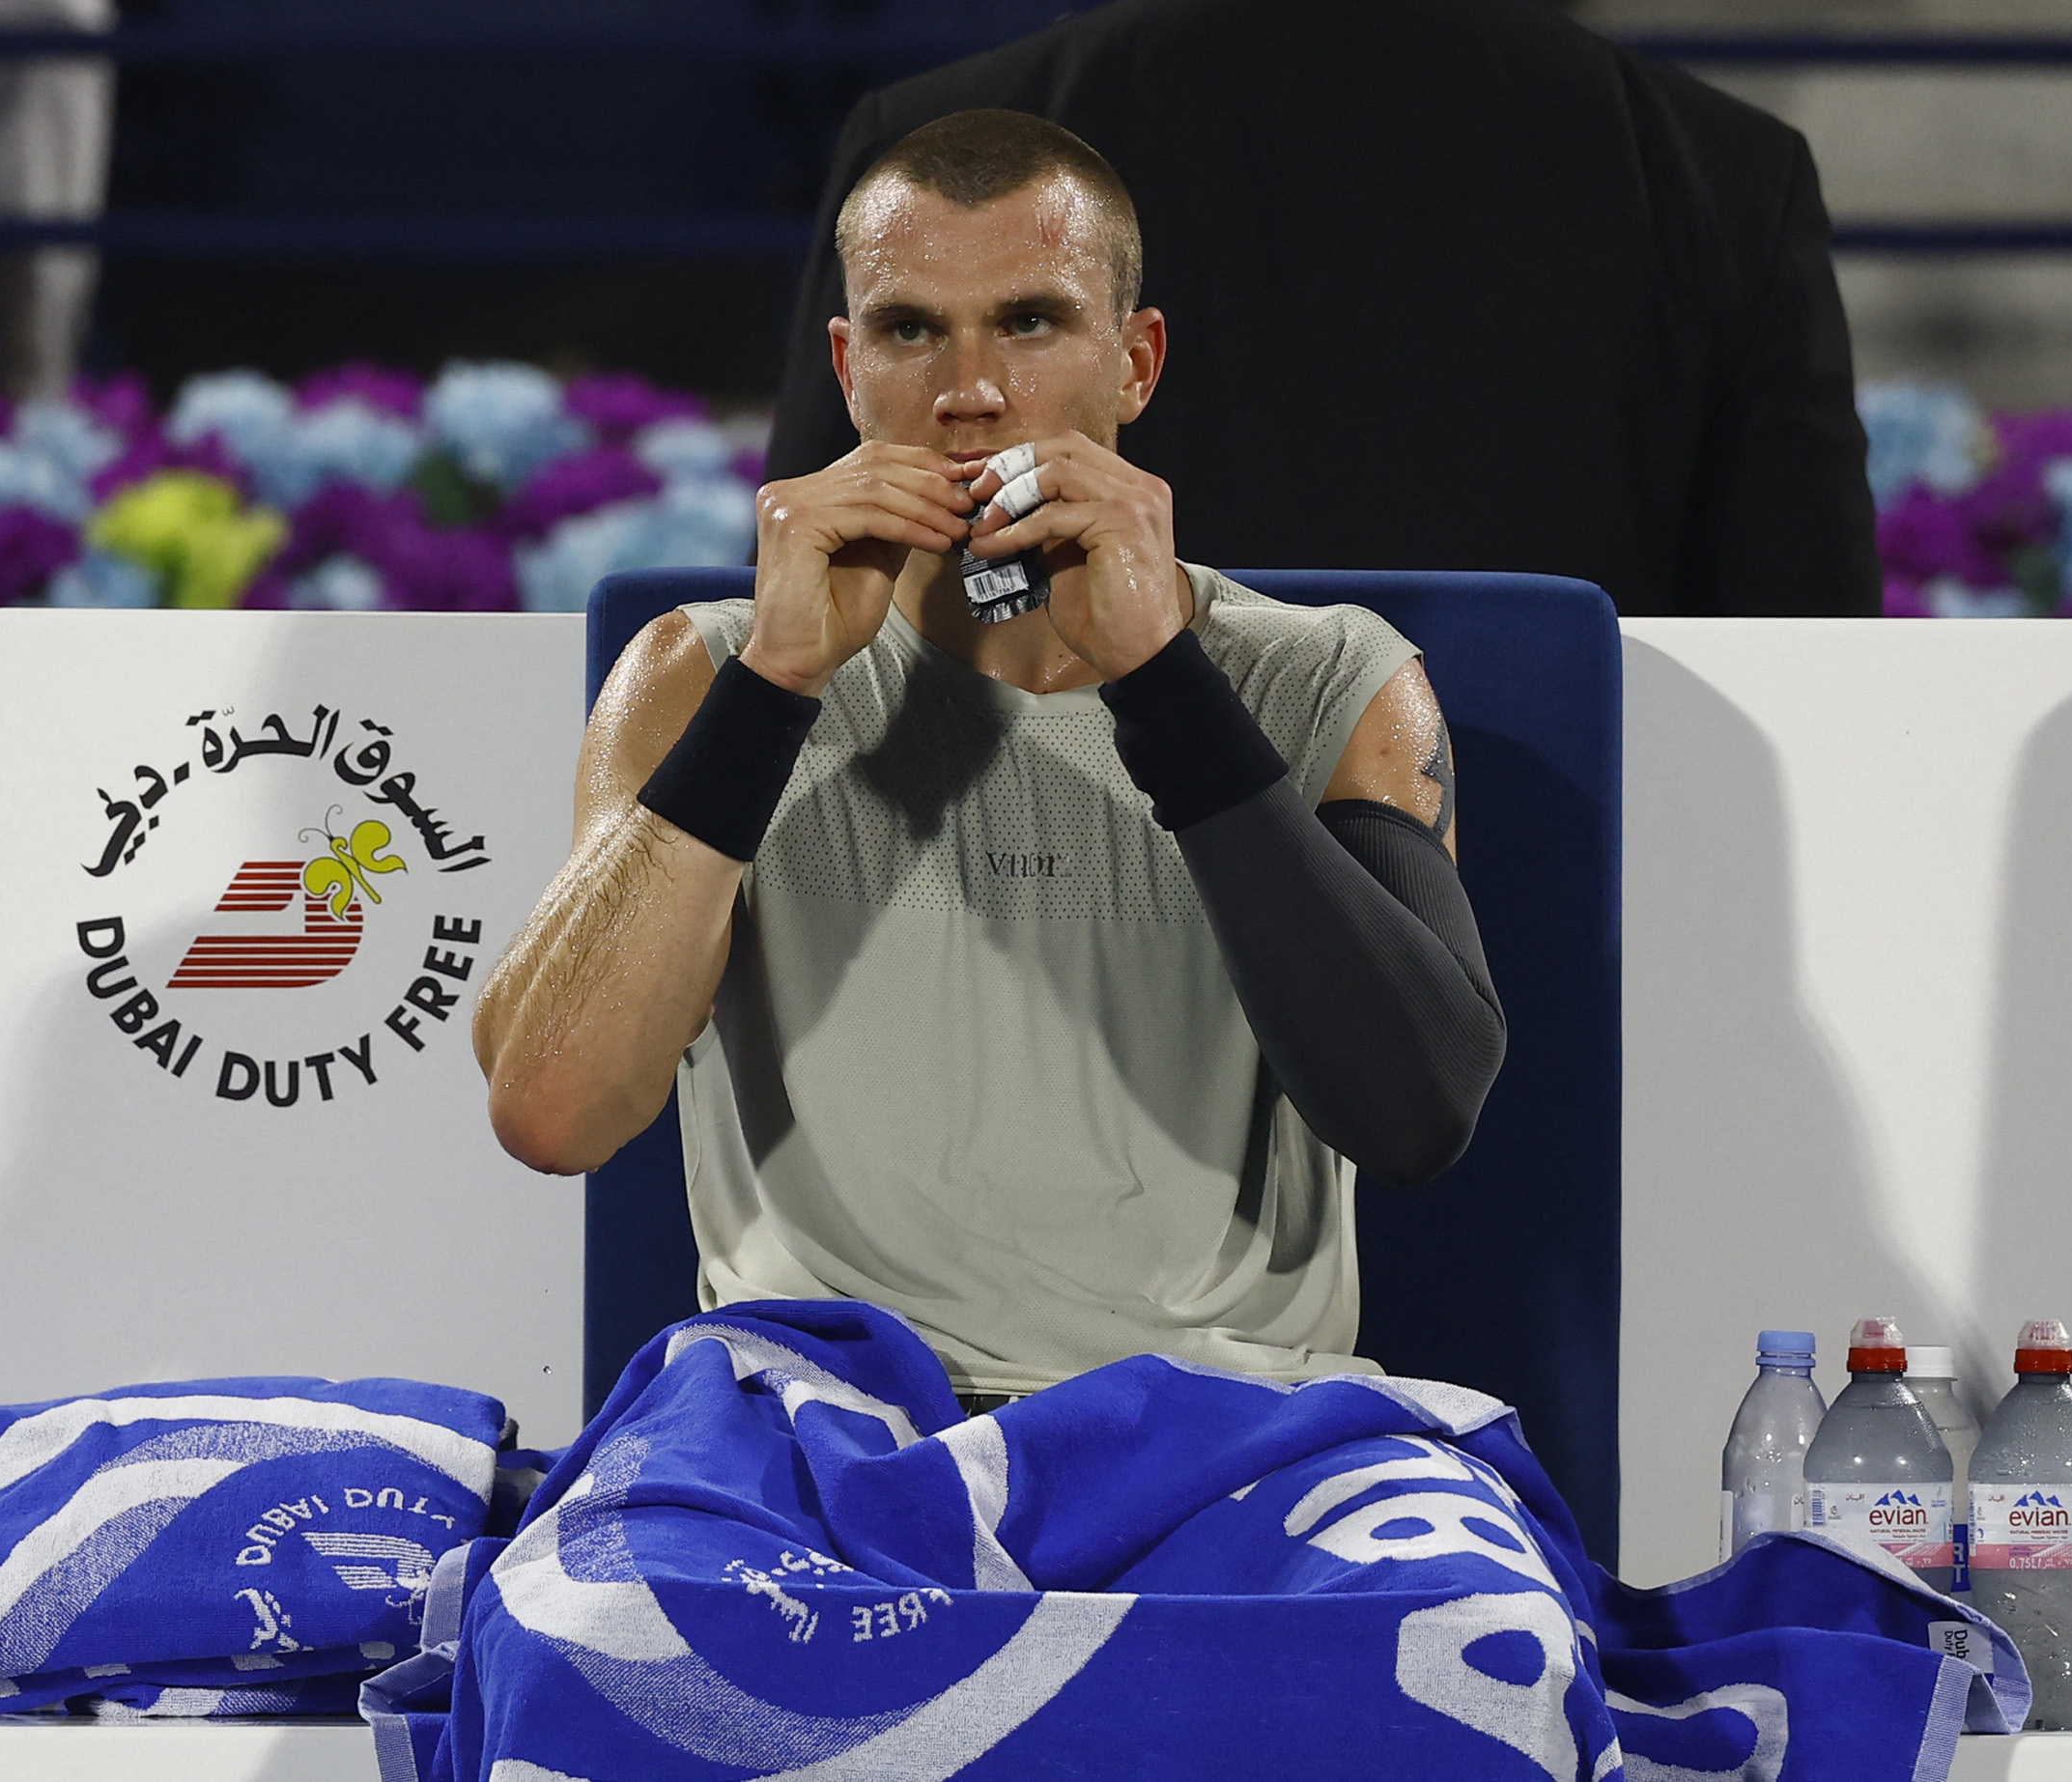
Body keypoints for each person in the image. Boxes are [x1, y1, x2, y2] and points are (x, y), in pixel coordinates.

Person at [475, 109, 1504, 1407]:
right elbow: (551, 1111)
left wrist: (1157, 676)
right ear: (847, 369)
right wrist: (776, 684)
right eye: (910, 330)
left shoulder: (1328, 679)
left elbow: (1411, 1115)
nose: (967, 390)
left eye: (1028, 321)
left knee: (1488, 1620)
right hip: (814, 1424)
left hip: (1223, 1426)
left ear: (1134, 363)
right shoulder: (700, 674)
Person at [764, 0, 1882, 619]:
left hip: (1015, 904)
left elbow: (811, 596)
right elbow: (1808, 646)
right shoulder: (1723, 174)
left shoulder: (923, 145)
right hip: (1543, 908)